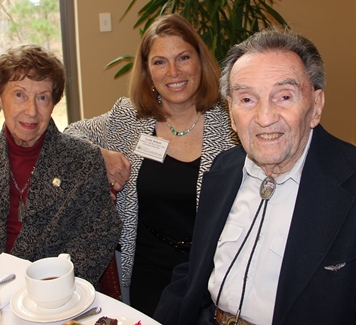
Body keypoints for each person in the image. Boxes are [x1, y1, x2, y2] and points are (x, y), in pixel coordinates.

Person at [154, 27, 356, 324]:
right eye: (246, 99)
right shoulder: (222, 169)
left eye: (283, 96)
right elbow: (194, 270)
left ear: (316, 106)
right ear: (230, 111)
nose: (265, 118)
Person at [64, 13, 239, 315]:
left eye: (183, 57)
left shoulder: (233, 121)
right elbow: (69, 136)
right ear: (147, 71)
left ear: (200, 60)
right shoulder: (128, 118)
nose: (173, 71)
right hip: (149, 267)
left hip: (215, 268)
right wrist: (100, 156)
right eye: (159, 62)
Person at [0, 44, 122, 287]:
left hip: (52, 293)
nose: (31, 111)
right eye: (19, 95)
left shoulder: (82, 159)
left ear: (54, 102)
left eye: (42, 97)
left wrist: (53, 282)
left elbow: (100, 233)